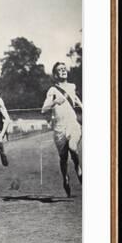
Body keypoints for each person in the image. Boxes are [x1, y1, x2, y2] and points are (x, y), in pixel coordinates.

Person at [41, 61, 83, 197]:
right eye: (60, 70)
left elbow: (77, 101)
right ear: (55, 74)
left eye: (64, 69)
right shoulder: (52, 90)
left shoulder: (72, 86)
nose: (63, 71)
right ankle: (65, 178)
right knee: (63, 158)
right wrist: (55, 102)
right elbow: (43, 109)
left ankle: (79, 170)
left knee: (73, 148)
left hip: (72, 124)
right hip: (59, 128)